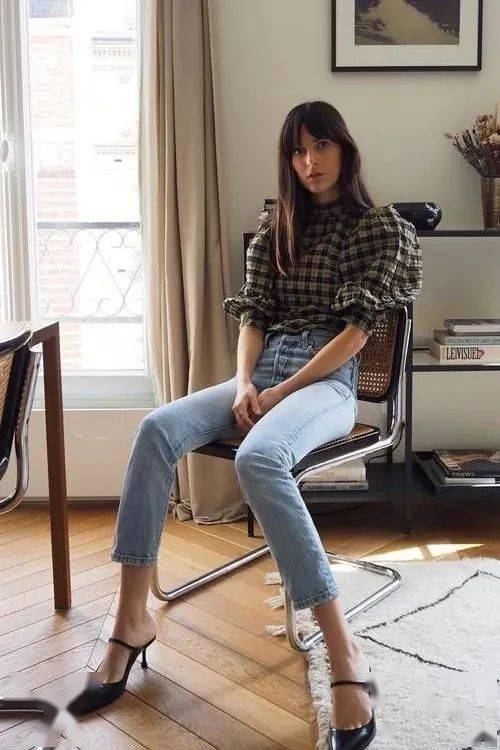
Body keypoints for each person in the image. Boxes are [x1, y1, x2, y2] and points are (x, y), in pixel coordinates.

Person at [69, 100, 423, 749]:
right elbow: (254, 317)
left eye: (321, 146)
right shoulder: (275, 229)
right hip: (262, 374)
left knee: (259, 459)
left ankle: (343, 652)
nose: (309, 162)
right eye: (298, 151)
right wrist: (242, 383)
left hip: (328, 385)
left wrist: (283, 390)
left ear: (345, 149)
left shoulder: (380, 229)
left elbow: (355, 334)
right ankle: (129, 620)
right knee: (156, 429)